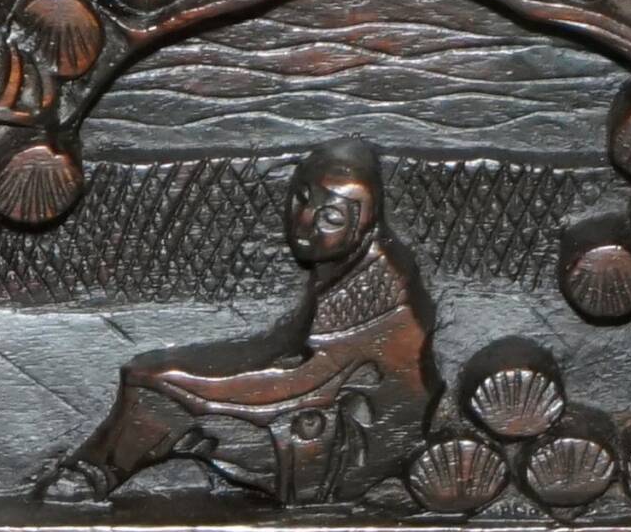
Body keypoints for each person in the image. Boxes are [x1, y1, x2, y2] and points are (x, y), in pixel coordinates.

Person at [42, 137, 437, 508]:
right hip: (317, 412)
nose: (305, 221)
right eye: (302, 198)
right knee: (163, 383)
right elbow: (290, 350)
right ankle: (97, 470)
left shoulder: (376, 285)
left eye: (331, 217)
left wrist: (195, 386)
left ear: (365, 225)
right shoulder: (348, 267)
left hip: (348, 452)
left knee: (160, 396)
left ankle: (94, 474)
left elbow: (308, 379)